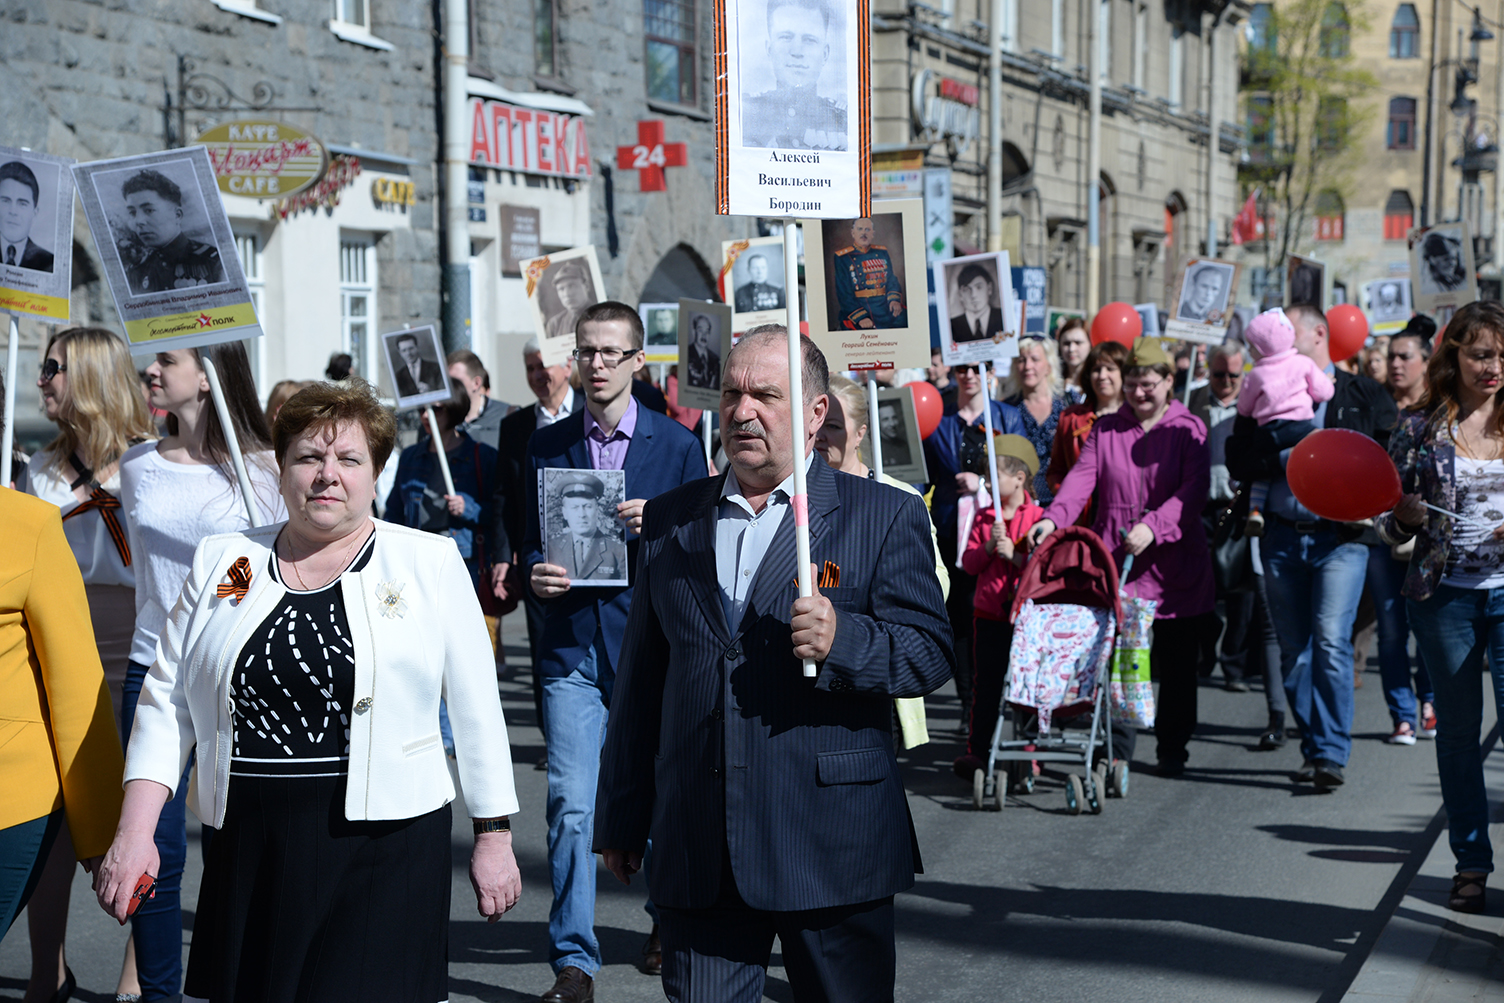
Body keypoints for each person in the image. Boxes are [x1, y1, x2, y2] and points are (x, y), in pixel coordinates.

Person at [94, 379, 522, 997]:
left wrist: (494, 836)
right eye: (308, 457)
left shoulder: (426, 562)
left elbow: (478, 709)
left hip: (385, 845)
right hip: (249, 844)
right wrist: (136, 832)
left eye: (349, 459)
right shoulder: (223, 560)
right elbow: (167, 699)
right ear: (281, 469)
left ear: (375, 474)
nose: (328, 475)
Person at [594, 327, 953, 999]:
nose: (742, 411)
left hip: (830, 842)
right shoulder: (671, 519)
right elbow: (642, 678)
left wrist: (845, 640)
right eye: (732, 394)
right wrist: (622, 812)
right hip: (701, 842)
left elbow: (929, 652)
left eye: (765, 394)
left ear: (816, 413)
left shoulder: (883, 514)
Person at [523, 301, 706, 1000]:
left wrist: (659, 523)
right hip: (571, 649)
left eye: (609, 352)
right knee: (572, 805)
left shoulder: (677, 446)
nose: (596, 364)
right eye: (586, 351)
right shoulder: (546, 444)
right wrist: (536, 572)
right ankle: (574, 961)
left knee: (657, 797)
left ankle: (665, 918)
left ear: (637, 360)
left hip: (648, 646)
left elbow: (703, 550)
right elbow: (529, 538)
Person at [116, 342, 285, 1002]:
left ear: (210, 375)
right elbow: (145, 575)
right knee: (153, 845)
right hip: (150, 669)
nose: (151, 370)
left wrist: (223, 602)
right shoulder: (138, 465)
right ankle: (158, 992)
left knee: (233, 843)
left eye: (167, 358)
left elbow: (266, 568)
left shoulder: (263, 468)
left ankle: (228, 985)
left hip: (230, 671)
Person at [23, 327, 156, 1003]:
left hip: (137, 649)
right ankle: (48, 968)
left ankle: (135, 975)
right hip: (58, 652)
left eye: (54, 367)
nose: (41, 379)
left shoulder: (153, 463)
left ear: (92, 377)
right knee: (55, 819)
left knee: (141, 819)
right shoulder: (36, 470)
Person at [1225, 304, 1399, 789]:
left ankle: (1329, 753)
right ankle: (1313, 740)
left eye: (1288, 329)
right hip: (1280, 534)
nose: (1276, 338)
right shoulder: (1264, 383)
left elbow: (1389, 454)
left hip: (1341, 539)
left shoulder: (1359, 392)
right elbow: (1238, 455)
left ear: (1317, 334)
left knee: (1330, 640)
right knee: (1295, 649)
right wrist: (1280, 450)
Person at [1029, 337, 1218, 777]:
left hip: (1175, 569)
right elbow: (1080, 481)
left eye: (1148, 384)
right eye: (1132, 384)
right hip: (1119, 566)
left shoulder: (1190, 427)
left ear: (1169, 382)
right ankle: (1116, 749)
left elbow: (1194, 491)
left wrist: (1154, 525)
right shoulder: (1107, 428)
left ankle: (1173, 747)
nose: (1138, 392)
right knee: (1118, 663)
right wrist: (1052, 521)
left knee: (1176, 664)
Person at [1377, 301, 1504, 914]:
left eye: (1503, 356)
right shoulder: (1419, 427)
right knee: (1456, 734)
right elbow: (1385, 517)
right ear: (1454, 356)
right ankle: (1471, 863)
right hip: (1443, 598)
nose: (1494, 367)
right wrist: (1402, 518)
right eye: (1482, 355)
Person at [924, 362, 1024, 733]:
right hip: (952, 531)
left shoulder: (1008, 417)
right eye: (962, 368)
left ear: (991, 371)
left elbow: (1021, 471)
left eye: (977, 367)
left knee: (992, 616)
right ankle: (969, 706)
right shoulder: (940, 418)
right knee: (960, 621)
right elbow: (924, 475)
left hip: (996, 531)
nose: (969, 374)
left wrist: (981, 481)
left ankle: (1000, 703)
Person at [497, 338, 579, 763]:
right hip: (539, 559)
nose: (537, 374)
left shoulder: (591, 415)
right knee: (542, 650)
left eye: (543, 364)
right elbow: (504, 498)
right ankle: (555, 741)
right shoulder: (514, 427)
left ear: (567, 365)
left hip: (590, 555)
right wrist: (503, 554)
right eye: (530, 367)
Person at [1364, 323, 1439, 746]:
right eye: (1391, 356)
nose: (1395, 364)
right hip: (1382, 532)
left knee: (1429, 624)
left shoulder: (1443, 409)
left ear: (1426, 362)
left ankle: (1430, 701)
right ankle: (1402, 716)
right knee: (1391, 630)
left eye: (1404, 356)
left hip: (1430, 537)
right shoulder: (1374, 406)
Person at [954, 434, 1045, 779]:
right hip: (989, 615)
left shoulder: (1039, 517)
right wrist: (990, 547)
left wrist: (1017, 557)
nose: (988, 483)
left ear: (1019, 478)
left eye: (995, 476)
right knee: (987, 686)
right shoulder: (984, 517)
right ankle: (978, 752)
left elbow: (1044, 570)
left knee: (1028, 686)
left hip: (1027, 619)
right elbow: (969, 563)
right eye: (986, 476)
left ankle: (1030, 753)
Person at [1188, 344, 1268, 700]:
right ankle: (1203, 651)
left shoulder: (1254, 404)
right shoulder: (1191, 401)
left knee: (1241, 592)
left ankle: (1234, 666)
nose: (1225, 381)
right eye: (1218, 374)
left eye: (1233, 375)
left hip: (1239, 509)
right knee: (1199, 588)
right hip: (1198, 509)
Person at [1238, 308, 1335, 537]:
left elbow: (1244, 407)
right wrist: (1325, 383)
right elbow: (1324, 392)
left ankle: (1255, 510)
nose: (1249, 352)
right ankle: (1345, 499)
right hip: (1299, 426)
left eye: (1252, 346)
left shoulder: (1255, 374)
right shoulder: (1302, 363)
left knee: (1263, 473)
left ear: (1263, 348)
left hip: (1267, 430)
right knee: (1326, 448)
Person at [740, 0, 847, 151]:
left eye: (809, 40)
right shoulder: (744, 114)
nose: (797, 51)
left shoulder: (843, 120)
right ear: (769, 49)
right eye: (786, 37)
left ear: (825, 54)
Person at [117, 169, 223, 294]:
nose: (138, 221)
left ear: (177, 215)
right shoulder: (136, 272)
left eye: (149, 210)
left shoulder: (214, 261)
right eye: (132, 213)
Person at [1046, 339, 1128, 499]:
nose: (1102, 376)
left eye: (1110, 369)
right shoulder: (1070, 417)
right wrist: (1068, 496)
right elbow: (1056, 470)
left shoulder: (1137, 417)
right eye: (1096, 370)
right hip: (1080, 508)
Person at [1001, 335, 1068, 504]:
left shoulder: (1067, 405)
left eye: (1035, 359)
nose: (1028, 366)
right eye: (1021, 360)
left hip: (1062, 500)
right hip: (1021, 504)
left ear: (1049, 366)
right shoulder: (1006, 410)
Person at [545, 471, 627, 581]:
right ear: (565, 513)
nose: (582, 514)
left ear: (597, 510)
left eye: (587, 506)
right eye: (574, 507)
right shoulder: (552, 547)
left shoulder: (618, 551)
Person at [833, 217, 905, 328]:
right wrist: (860, 317)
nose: (863, 233)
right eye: (860, 229)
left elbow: (891, 279)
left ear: (873, 234)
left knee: (905, 321)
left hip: (885, 305)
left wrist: (894, 300)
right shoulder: (843, 257)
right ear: (853, 233)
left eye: (867, 229)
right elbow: (844, 293)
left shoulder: (882, 252)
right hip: (860, 307)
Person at [448, 348, 515, 451]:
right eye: (446, 382)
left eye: (456, 382)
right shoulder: (439, 419)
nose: (449, 388)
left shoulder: (506, 415)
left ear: (476, 383)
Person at [0, 160, 54, 271]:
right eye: (5, 201)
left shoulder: (49, 263)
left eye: (22, 204)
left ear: (34, 213)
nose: (13, 211)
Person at [949, 263, 1003, 343]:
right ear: (960, 295)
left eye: (979, 287)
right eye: (967, 289)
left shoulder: (1003, 318)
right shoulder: (951, 326)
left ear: (989, 289)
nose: (973, 295)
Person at [392, 331, 444, 398]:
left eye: (411, 348)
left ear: (417, 347)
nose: (408, 353)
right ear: (400, 353)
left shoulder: (435, 367)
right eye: (404, 350)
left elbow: (444, 391)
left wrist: (431, 391)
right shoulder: (398, 376)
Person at [1056, 317, 1091, 404]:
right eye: (1066, 343)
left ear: (1090, 344)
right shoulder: (1053, 381)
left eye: (1078, 343)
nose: (1071, 349)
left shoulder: (1096, 382)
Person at [686, 312, 722, 389]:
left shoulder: (715, 359)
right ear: (694, 332)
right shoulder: (686, 354)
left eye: (707, 331)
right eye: (700, 330)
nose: (704, 335)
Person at [875, 397, 912, 468]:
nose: (892, 424)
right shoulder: (873, 448)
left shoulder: (904, 446)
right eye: (885, 419)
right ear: (878, 422)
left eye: (894, 418)